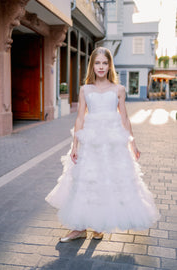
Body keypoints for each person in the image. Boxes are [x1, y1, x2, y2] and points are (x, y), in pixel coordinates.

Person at [45, 47, 159, 243]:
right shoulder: (85, 89)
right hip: (90, 140)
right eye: (97, 63)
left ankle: (98, 225)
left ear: (109, 66)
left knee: (106, 182)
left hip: (112, 142)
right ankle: (79, 228)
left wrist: (133, 144)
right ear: (92, 65)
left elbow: (124, 118)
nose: (101, 66)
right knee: (86, 181)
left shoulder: (119, 89)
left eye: (104, 63)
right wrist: (74, 146)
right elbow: (80, 118)